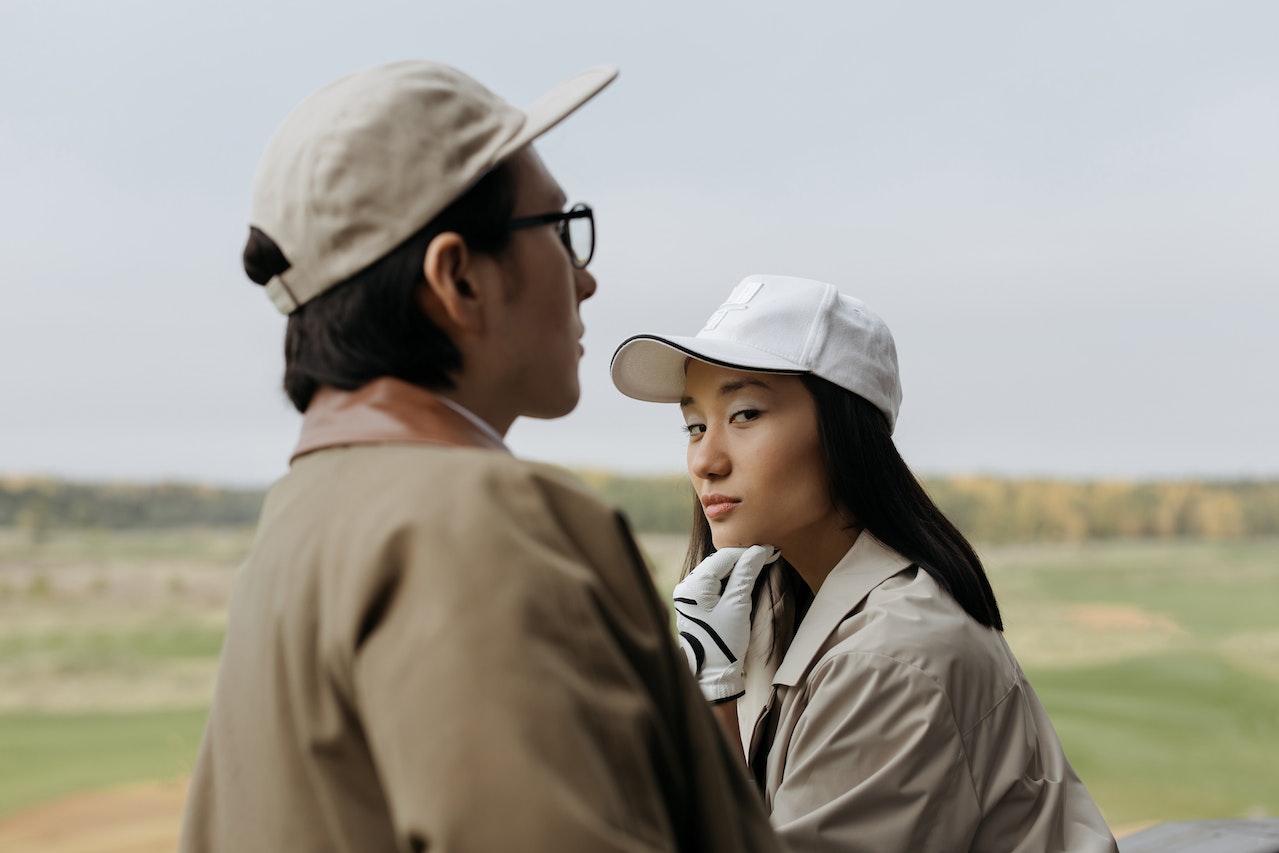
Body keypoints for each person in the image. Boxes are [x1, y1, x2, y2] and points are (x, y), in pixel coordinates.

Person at [179, 62, 781, 853]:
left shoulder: (303, 516)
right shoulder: (479, 521)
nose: (586, 277)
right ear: (458, 276)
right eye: (561, 232)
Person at [610, 274, 1119, 852]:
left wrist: (713, 698)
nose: (706, 459)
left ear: (845, 430)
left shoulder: (892, 656)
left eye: (745, 414)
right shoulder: (771, 604)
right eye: (695, 425)